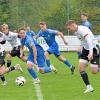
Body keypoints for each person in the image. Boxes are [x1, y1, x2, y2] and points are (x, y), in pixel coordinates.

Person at [66, 20, 100, 93]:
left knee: (94, 71)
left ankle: (98, 66)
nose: (69, 30)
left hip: (93, 48)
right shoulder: (76, 32)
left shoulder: (82, 30)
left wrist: (90, 53)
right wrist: (81, 47)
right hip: (85, 49)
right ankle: (89, 87)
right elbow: (83, 41)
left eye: (69, 28)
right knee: (81, 68)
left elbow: (89, 42)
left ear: (73, 25)